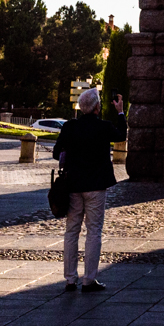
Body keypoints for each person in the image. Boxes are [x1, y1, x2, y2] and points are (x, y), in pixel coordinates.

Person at [54, 88, 126, 293]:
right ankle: (89, 279)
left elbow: (57, 152)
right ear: (96, 107)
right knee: (94, 231)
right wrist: (120, 112)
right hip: (96, 186)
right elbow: (121, 135)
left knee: (71, 230)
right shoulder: (103, 127)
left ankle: (69, 279)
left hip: (73, 185)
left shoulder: (69, 127)